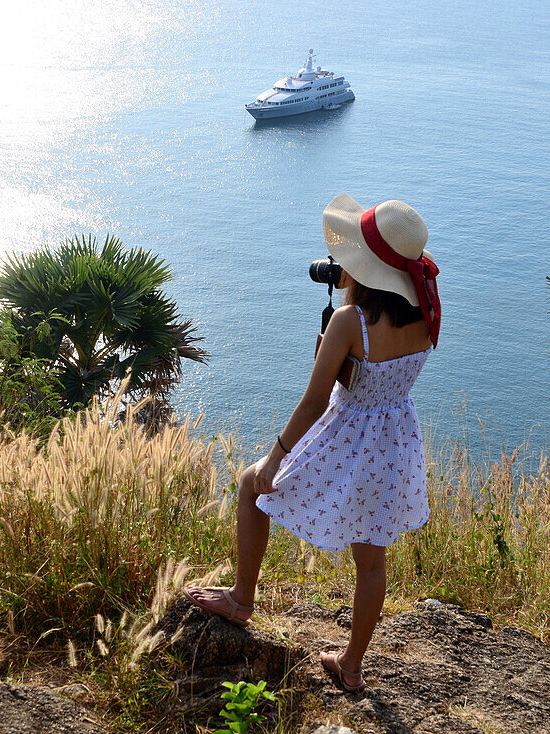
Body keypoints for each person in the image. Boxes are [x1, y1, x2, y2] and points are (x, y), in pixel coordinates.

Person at [185, 196, 441, 692]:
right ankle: (351, 665)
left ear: (365, 269)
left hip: (348, 430)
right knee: (371, 561)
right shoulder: (427, 309)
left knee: (249, 486)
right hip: (394, 439)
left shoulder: (351, 323)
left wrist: (274, 459)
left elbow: (314, 401)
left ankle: (241, 598)